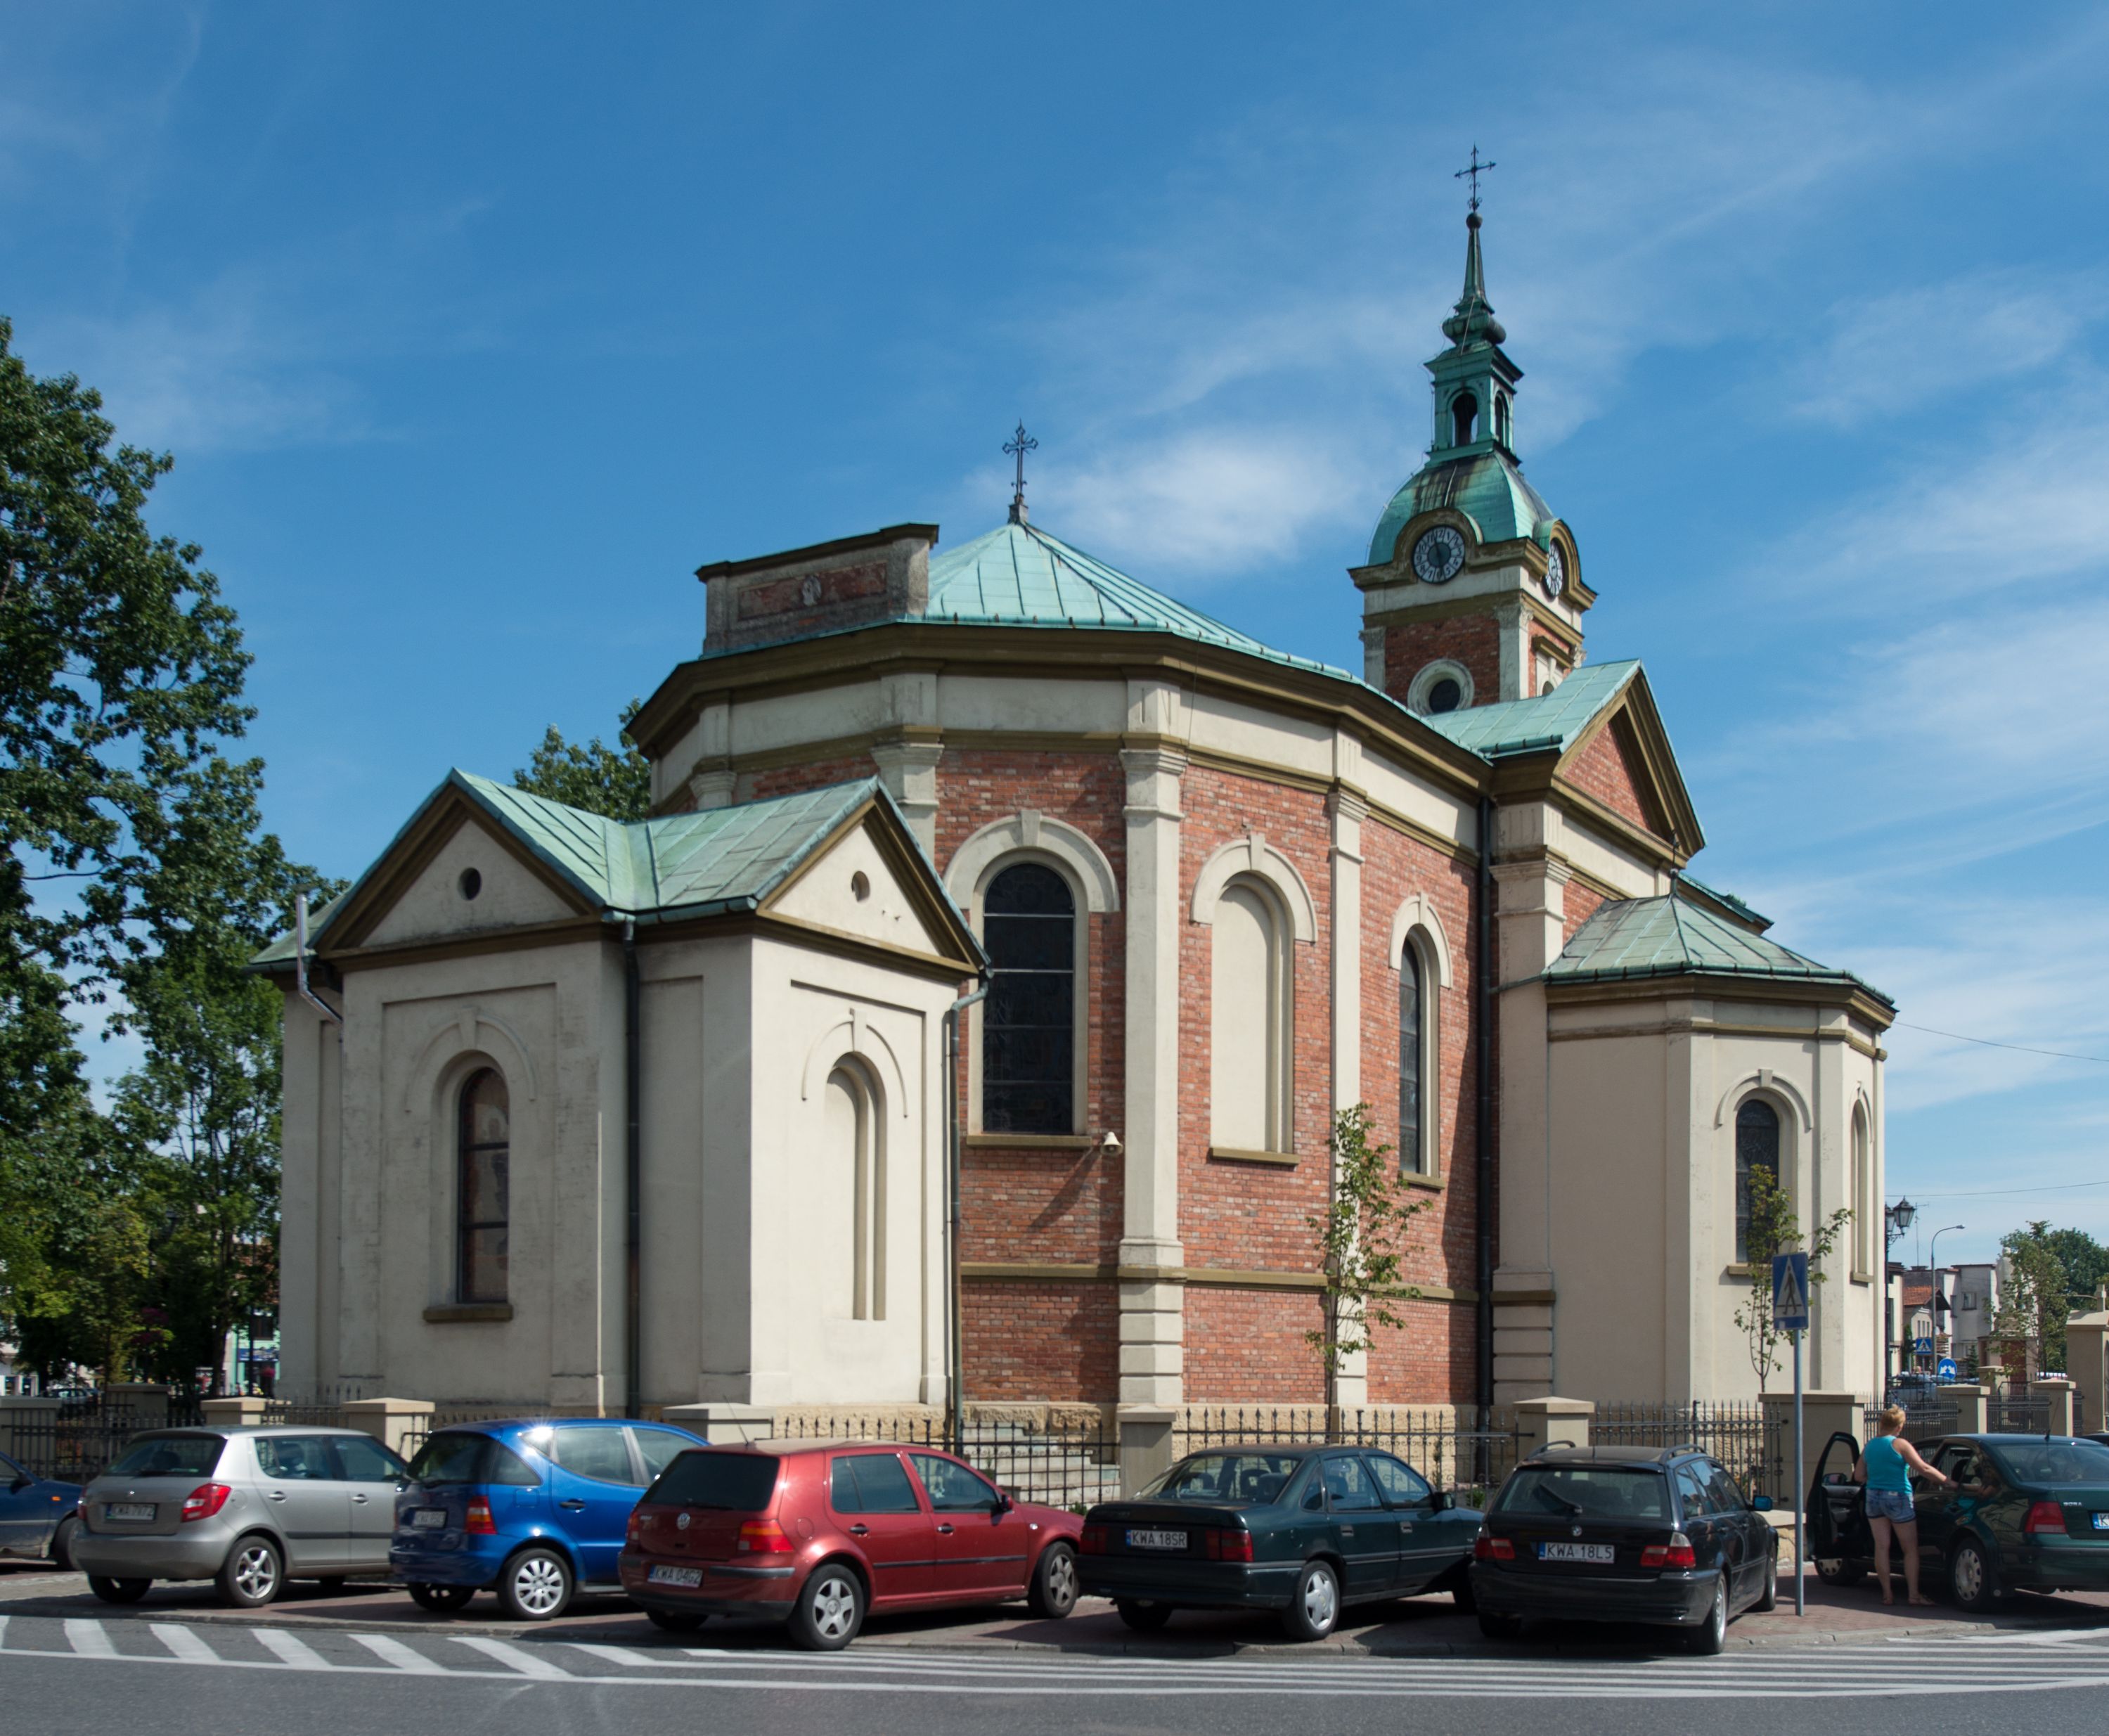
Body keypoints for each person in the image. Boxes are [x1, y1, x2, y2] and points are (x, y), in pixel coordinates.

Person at [1853, 1406, 1952, 1606]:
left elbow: (1859, 1476)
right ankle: (1913, 1595)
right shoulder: (1900, 1444)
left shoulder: (1870, 1446)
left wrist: (1877, 1476)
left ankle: (1887, 1595)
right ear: (1899, 1426)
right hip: (1897, 1496)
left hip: (1874, 1497)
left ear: (1882, 1423)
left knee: (1882, 1547)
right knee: (1910, 1549)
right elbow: (1924, 1468)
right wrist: (1948, 1482)